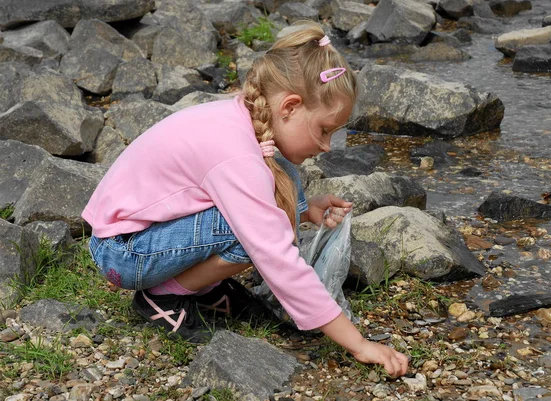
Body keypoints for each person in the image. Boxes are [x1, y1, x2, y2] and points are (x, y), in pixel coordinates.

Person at [83, 21, 409, 377]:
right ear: (290, 107)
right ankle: (162, 296)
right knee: (257, 232)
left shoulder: (246, 118)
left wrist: (304, 208)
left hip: (134, 235)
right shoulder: (237, 157)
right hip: (122, 251)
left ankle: (202, 287)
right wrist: (359, 344)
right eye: (324, 130)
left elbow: (262, 185)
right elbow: (275, 255)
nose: (326, 145)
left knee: (279, 181)